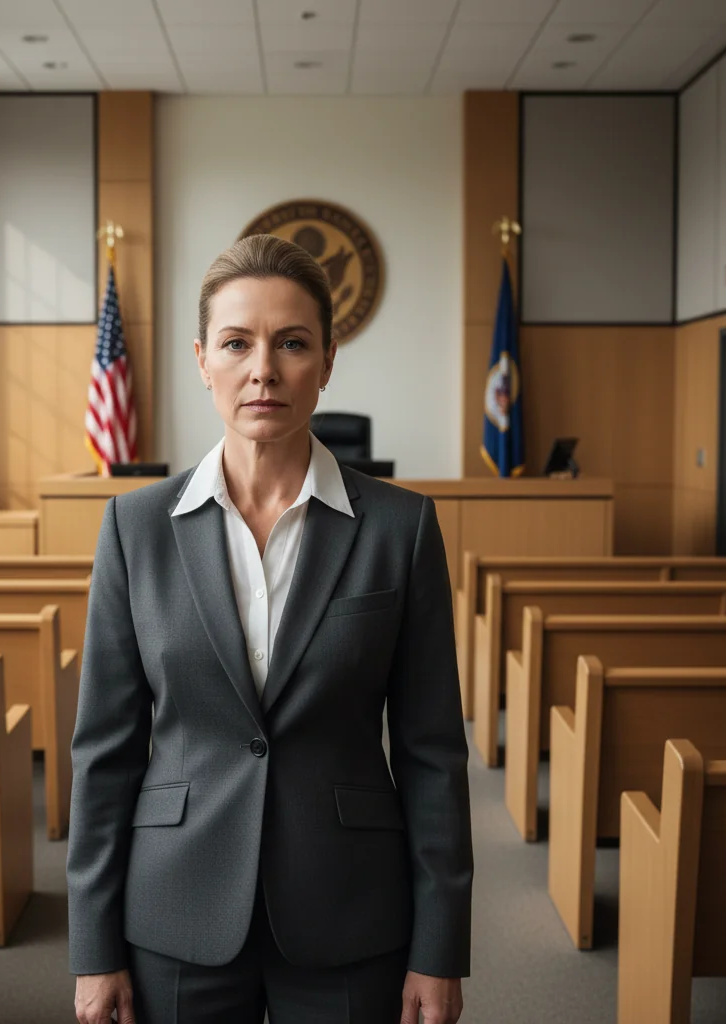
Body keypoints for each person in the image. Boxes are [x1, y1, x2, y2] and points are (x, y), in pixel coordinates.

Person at [67, 233, 473, 1024]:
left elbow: (432, 755)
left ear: (326, 362)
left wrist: (440, 948)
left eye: (292, 343)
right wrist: (93, 948)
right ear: (202, 359)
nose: (264, 369)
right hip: (175, 908)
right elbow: (104, 756)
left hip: (349, 908)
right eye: (237, 343)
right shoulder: (134, 528)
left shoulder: (402, 528)